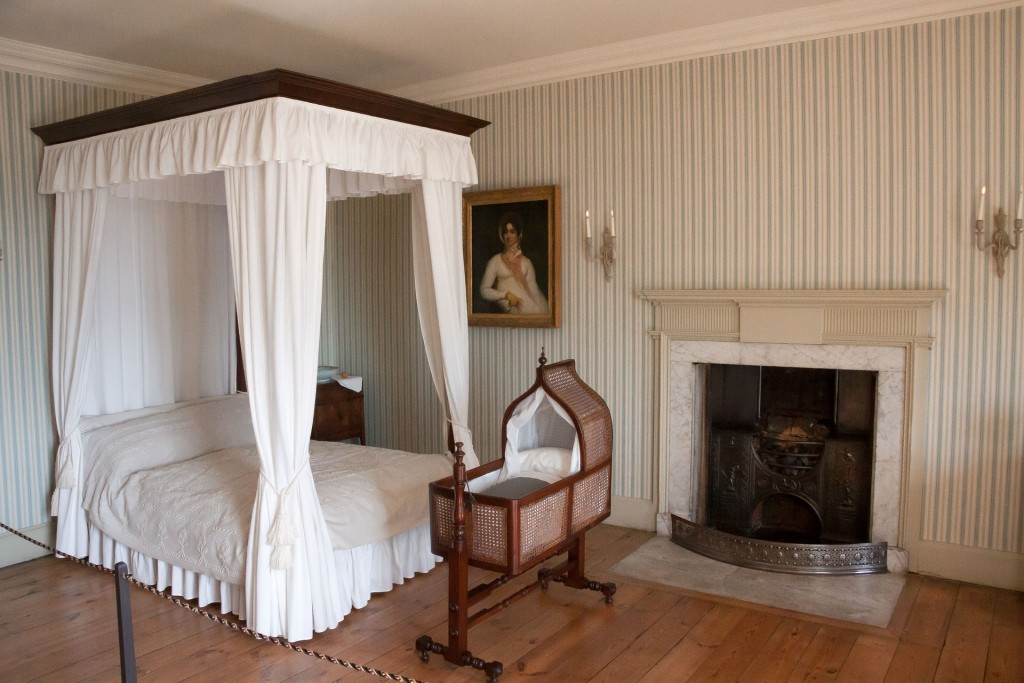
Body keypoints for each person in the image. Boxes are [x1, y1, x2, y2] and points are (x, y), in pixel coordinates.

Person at [479, 213, 549, 314]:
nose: (508, 236)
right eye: (506, 232)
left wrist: (543, 312)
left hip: (528, 308)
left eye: (512, 232)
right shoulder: (495, 261)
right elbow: (484, 291)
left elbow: (534, 291)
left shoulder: (526, 262)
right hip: (510, 309)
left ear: (519, 235)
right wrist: (505, 295)